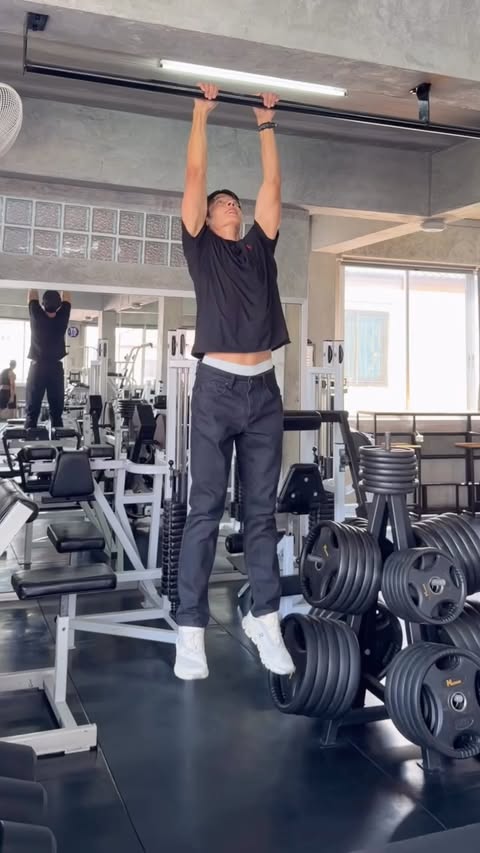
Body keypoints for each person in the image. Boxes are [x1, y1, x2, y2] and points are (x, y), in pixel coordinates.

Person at [174, 82, 295, 681]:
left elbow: (272, 186)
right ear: (207, 215)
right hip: (217, 389)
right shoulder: (202, 250)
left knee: (262, 515)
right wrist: (202, 114)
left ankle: (265, 618)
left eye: (234, 205)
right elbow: (195, 175)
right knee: (205, 509)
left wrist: (265, 123)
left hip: (264, 391)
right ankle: (191, 630)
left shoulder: (259, 249)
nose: (232, 207)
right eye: (223, 204)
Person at [25, 289, 71, 429]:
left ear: (43, 304)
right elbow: (67, 296)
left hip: (38, 368)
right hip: (55, 368)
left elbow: (32, 294)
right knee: (56, 413)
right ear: (59, 305)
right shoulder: (62, 318)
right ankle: (58, 441)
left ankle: (29, 440)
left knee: (32, 412)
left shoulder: (37, 317)